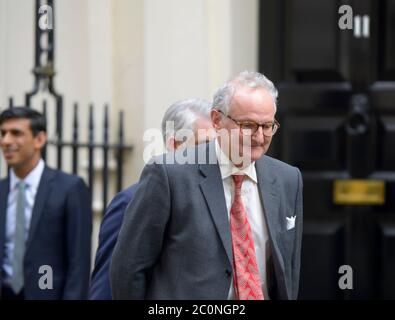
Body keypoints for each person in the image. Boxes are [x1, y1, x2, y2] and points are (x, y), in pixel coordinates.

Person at [110, 71, 303, 300]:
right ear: (216, 120)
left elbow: (288, 271)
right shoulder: (170, 174)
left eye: (267, 125)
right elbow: (129, 269)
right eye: (248, 125)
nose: (260, 137)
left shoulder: (288, 179)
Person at [89, 98, 215, 299]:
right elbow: (108, 287)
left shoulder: (218, 202)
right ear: (175, 146)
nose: (215, 155)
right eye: (205, 145)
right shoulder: (130, 201)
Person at [0, 107, 92, 300]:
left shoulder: (70, 188)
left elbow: (79, 263)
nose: (6, 141)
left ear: (39, 139)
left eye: (16, 133)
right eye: (3, 133)